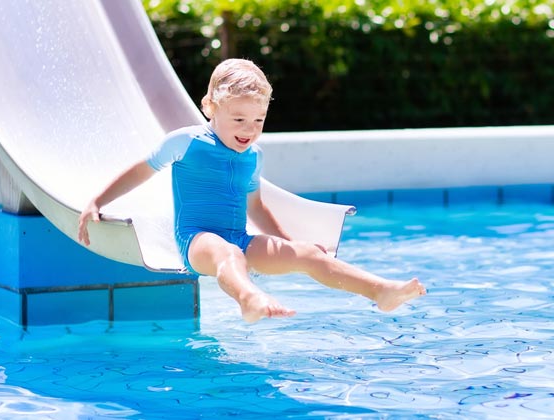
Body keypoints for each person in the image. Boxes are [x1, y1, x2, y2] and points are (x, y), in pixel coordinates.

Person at [78, 58, 426, 323]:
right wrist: (98, 200)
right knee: (229, 255)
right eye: (239, 119)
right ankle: (248, 299)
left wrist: (290, 244)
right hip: (198, 240)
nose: (249, 130)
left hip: (240, 238)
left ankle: (380, 290)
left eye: (258, 121)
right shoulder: (186, 142)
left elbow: (256, 207)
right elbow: (141, 170)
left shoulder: (252, 156)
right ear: (211, 108)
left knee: (308, 254)